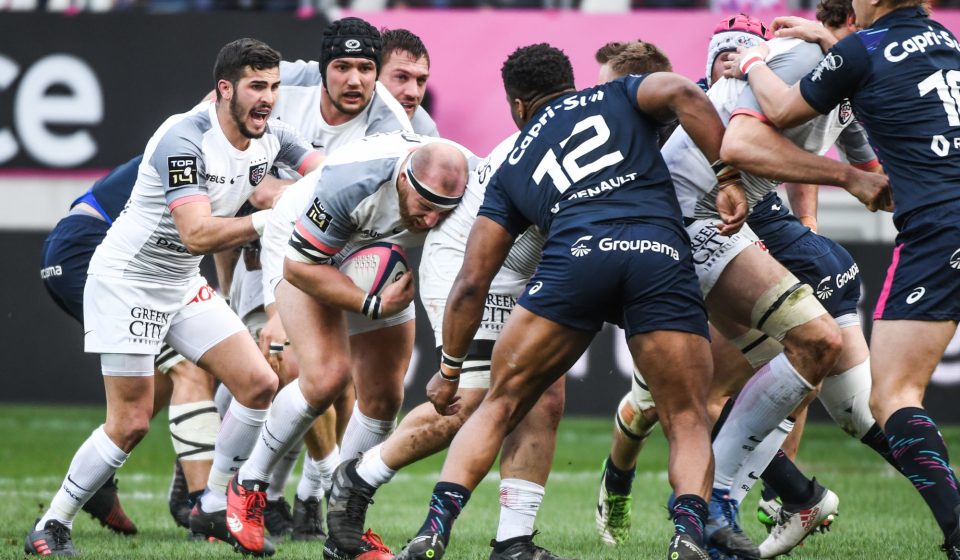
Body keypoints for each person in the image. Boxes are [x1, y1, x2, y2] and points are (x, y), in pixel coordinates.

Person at [393, 42, 742, 560]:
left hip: (576, 260)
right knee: (687, 416)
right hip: (656, 252)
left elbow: (472, 281)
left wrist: (448, 370)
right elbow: (682, 90)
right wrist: (728, 176)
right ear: (572, 83)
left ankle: (433, 532)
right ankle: (687, 535)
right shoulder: (618, 95)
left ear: (517, 107)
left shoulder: (511, 164)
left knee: (501, 403)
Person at [591, 17, 891, 558]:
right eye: (723, 54)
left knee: (768, 369)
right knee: (654, 407)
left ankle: (744, 505)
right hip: (661, 251)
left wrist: (809, 224)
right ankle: (623, 486)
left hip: (708, 243)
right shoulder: (692, 115)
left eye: (742, 51)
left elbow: (801, 158)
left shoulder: (743, 110)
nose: (730, 61)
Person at [24, 38, 323, 558]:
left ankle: (211, 503)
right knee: (132, 422)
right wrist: (274, 216)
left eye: (274, 87)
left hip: (181, 283)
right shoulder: (184, 137)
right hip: (127, 280)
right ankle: (52, 524)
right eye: (256, 86)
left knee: (257, 384)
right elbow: (198, 235)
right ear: (223, 89)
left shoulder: (274, 134)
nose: (268, 99)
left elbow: (327, 172)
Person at [729, 0, 960, 556]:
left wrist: (754, 62)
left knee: (895, 396)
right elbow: (886, 68)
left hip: (941, 226)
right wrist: (831, 42)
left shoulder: (862, 48)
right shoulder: (949, 44)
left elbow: (781, 113)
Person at [321, 131, 573, 560]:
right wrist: (450, 368)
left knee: (544, 397)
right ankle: (358, 477)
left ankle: (514, 542)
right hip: (467, 263)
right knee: (469, 400)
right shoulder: (571, 136)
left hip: (524, 269)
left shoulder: (607, 133)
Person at [231, 131, 470, 560]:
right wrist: (372, 304)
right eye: (425, 207)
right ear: (404, 179)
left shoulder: (468, 187)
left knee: (384, 395)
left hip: (376, 249)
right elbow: (301, 268)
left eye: (443, 212)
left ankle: (344, 528)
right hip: (301, 245)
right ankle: (247, 483)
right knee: (326, 377)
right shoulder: (353, 182)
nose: (432, 221)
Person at [40, 155, 227, 535]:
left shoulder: (245, 145)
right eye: (261, 89)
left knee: (164, 371)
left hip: (99, 250)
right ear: (224, 92)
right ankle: (202, 510)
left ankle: (99, 479)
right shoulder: (207, 137)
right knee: (187, 367)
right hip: (88, 250)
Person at [379, 28, 439, 136]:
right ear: (374, 76)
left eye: (421, 80)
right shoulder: (343, 117)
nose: (414, 93)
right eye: (401, 77)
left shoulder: (425, 131)